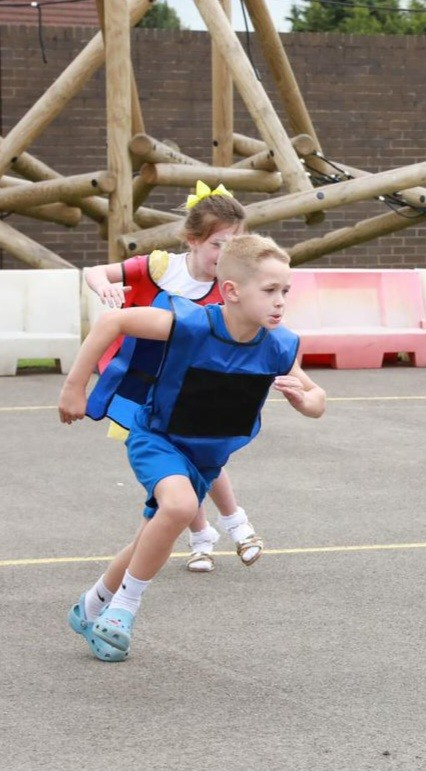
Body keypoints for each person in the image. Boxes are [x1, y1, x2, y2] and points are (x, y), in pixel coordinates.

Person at [61, 234, 326, 661]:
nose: (280, 301)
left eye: (285, 291)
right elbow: (113, 322)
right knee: (181, 507)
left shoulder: (278, 345)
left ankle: (90, 607)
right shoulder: (190, 324)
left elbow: (318, 399)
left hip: (205, 458)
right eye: (270, 290)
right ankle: (123, 610)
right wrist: (74, 388)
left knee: (151, 537)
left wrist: (304, 401)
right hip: (157, 438)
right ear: (232, 291)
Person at [85, 181, 260, 573]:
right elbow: (94, 271)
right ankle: (202, 537)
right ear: (192, 240)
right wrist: (105, 289)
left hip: (194, 385)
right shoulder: (160, 268)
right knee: (174, 466)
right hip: (143, 382)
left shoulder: (230, 286)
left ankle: (236, 523)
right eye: (218, 244)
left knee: (202, 452)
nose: (226, 254)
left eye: (235, 245)